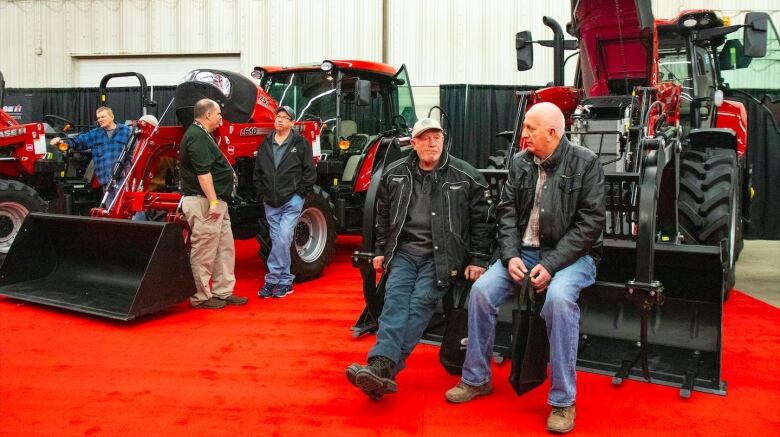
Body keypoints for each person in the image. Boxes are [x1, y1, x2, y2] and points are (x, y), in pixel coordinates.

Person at [444, 102, 605, 434]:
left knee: (559, 300)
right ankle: (477, 378)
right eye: (525, 127)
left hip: (572, 258)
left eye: (531, 128)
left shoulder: (586, 164)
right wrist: (510, 256)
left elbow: (589, 226)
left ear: (553, 133)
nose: (524, 134)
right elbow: (505, 213)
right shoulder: (520, 163)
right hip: (523, 254)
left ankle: (563, 401)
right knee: (482, 291)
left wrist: (550, 264)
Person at [345, 117, 496, 400]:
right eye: (425, 138)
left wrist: (478, 258)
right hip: (403, 253)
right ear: (413, 143)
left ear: (443, 140)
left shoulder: (466, 175)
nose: (431, 142)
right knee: (394, 303)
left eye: (436, 137)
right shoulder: (395, 174)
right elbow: (383, 217)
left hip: (444, 257)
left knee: (420, 303)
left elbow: (484, 221)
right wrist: (379, 251)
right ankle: (382, 370)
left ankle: (381, 366)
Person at [179, 98, 248, 309]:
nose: (221, 117)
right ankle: (200, 296)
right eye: (218, 113)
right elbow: (203, 173)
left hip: (216, 201)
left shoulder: (203, 135)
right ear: (208, 115)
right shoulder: (196, 137)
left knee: (224, 248)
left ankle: (223, 291)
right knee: (205, 250)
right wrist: (213, 202)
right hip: (206, 202)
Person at [253, 106, 316, 299]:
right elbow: (258, 171)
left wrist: (300, 194)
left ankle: (272, 279)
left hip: (292, 200)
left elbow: (309, 171)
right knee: (279, 241)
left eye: (284, 117)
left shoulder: (301, 143)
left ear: (292, 122)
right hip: (270, 201)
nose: (279, 120)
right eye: (277, 116)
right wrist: (262, 192)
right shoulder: (266, 143)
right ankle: (285, 281)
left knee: (283, 237)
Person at [50, 106, 132, 192]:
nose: (100, 120)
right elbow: (78, 141)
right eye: (98, 118)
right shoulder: (95, 134)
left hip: (123, 179)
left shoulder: (126, 131)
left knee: (123, 204)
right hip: (106, 181)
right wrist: (62, 142)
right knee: (110, 205)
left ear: (112, 117)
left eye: (103, 117)